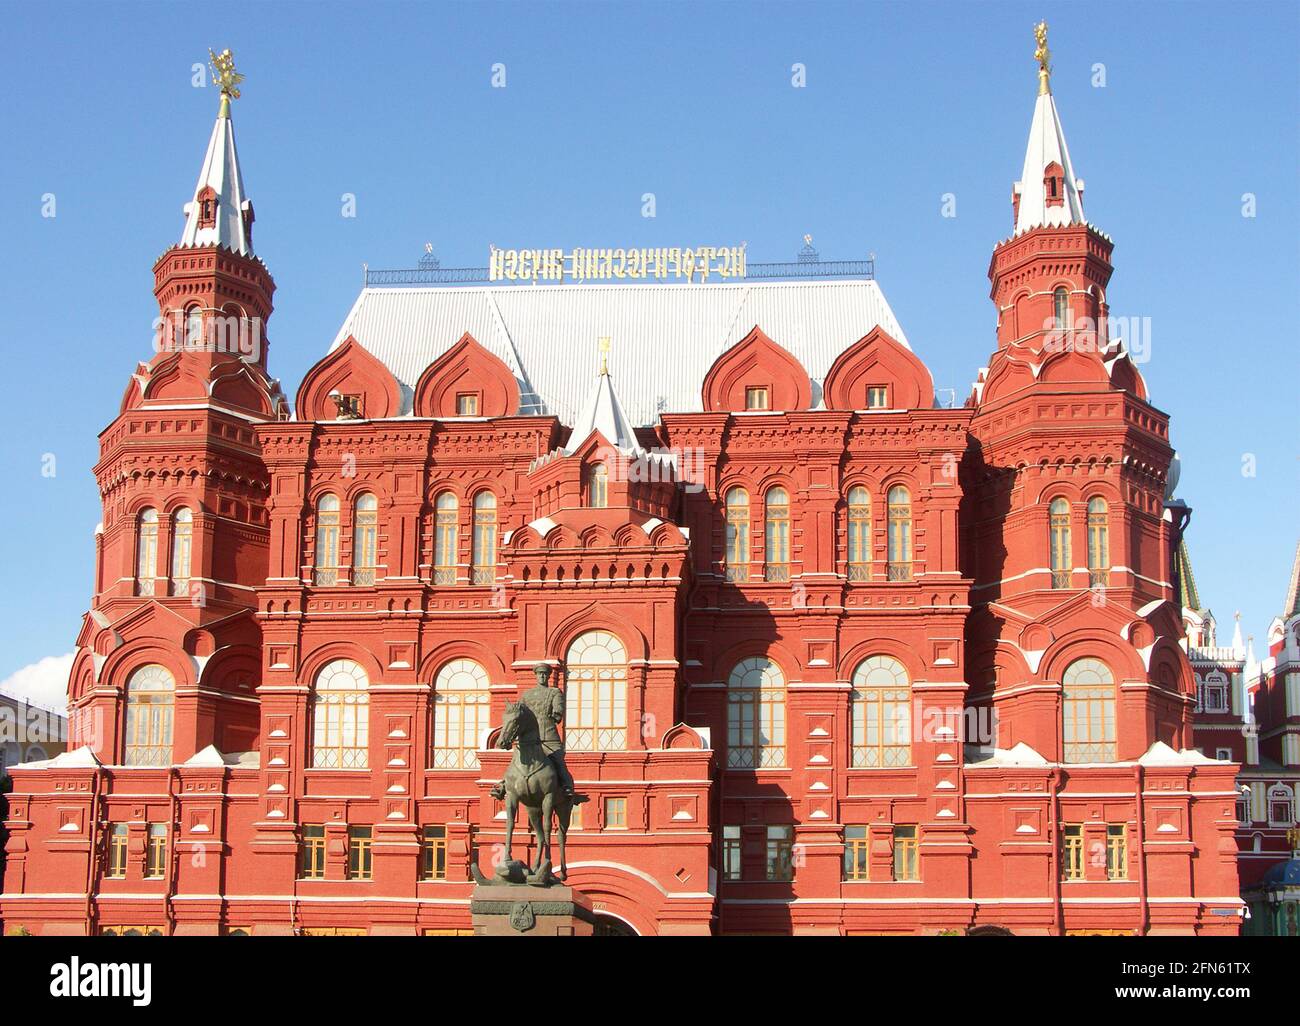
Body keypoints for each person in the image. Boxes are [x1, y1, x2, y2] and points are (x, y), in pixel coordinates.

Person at [491, 663, 584, 802]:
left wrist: (556, 714)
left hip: (548, 737)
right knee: (516, 761)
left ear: (548, 676)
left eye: (545, 674)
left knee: (558, 761)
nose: (542, 676)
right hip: (528, 738)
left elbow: (558, 710)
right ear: (536, 675)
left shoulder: (554, 692)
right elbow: (519, 713)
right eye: (540, 673)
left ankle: (567, 787)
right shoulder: (526, 695)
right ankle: (503, 785)